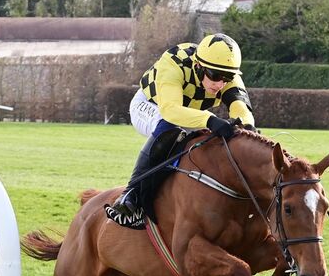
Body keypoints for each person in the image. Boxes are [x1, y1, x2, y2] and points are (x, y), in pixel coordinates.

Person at [108, 33, 257, 217]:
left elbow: (241, 109)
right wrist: (210, 120)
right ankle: (131, 193)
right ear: (198, 66)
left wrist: (248, 129)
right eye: (215, 76)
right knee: (171, 129)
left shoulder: (224, 72)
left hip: (188, 115)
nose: (220, 84)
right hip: (151, 105)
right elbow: (171, 110)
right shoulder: (174, 62)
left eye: (227, 77)